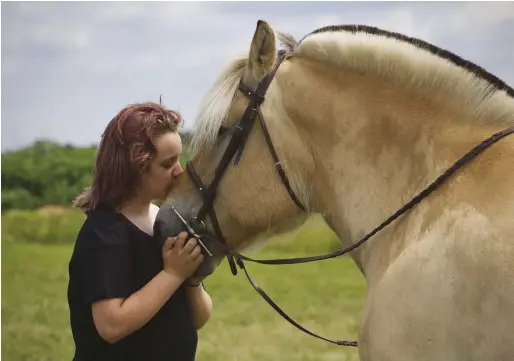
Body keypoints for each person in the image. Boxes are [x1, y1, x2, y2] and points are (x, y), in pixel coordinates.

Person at [67, 102, 212, 361]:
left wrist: (190, 277)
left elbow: (200, 318)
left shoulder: (166, 221)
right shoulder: (104, 234)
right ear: (134, 168)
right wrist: (173, 273)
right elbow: (111, 326)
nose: (179, 172)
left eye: (179, 159)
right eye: (167, 164)